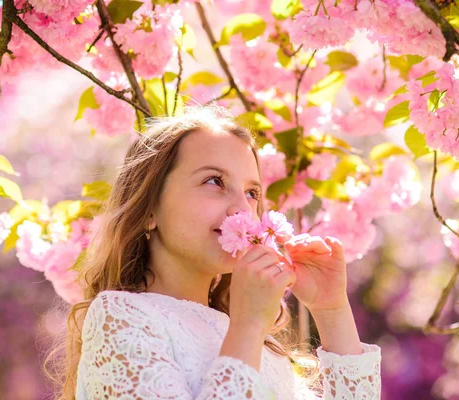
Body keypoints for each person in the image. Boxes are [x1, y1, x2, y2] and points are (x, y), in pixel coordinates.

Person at [46, 106, 381, 399]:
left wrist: (331, 310)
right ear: (150, 209)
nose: (241, 208)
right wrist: (247, 326)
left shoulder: (260, 347)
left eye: (252, 192)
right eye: (214, 182)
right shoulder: (120, 316)